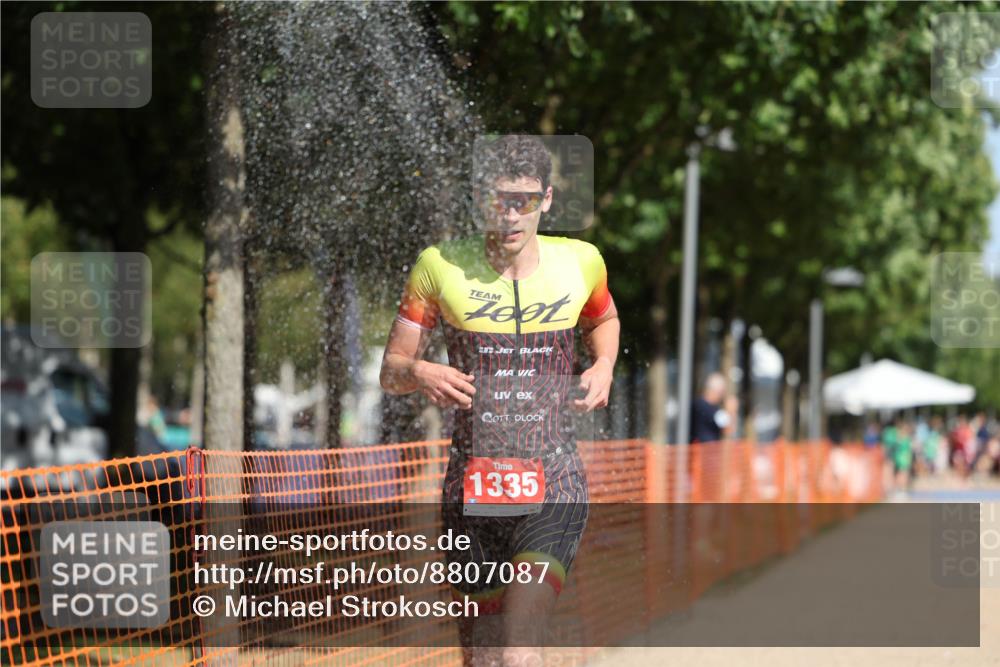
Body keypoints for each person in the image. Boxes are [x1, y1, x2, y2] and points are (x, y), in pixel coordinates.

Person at [380, 134, 619, 666]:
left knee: (517, 653)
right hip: (470, 487)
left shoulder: (581, 262)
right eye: (498, 199)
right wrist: (420, 369)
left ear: (547, 200)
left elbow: (604, 319)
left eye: (525, 201)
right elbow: (390, 372)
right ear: (478, 197)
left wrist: (603, 364)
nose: (511, 215)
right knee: (483, 658)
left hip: (554, 479)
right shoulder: (438, 266)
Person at [689, 373, 735, 444]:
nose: (722, 396)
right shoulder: (710, 410)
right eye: (721, 392)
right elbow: (727, 429)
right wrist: (731, 411)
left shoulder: (697, 404)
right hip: (704, 451)